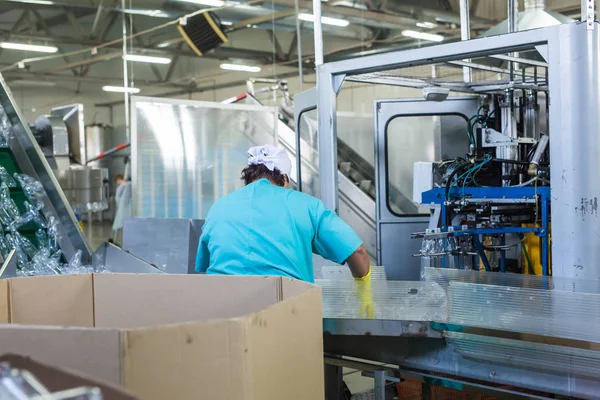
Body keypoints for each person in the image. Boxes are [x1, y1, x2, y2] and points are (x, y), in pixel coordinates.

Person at [195, 145, 374, 318]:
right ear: (284, 177)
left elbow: (204, 266)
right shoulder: (307, 205)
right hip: (287, 313)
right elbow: (357, 251)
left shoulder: (219, 207)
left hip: (222, 313)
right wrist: (364, 291)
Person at [112, 174, 132, 245]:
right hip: (126, 208)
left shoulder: (123, 186)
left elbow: (118, 198)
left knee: (122, 224)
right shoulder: (128, 185)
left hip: (123, 207)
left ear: (118, 180)